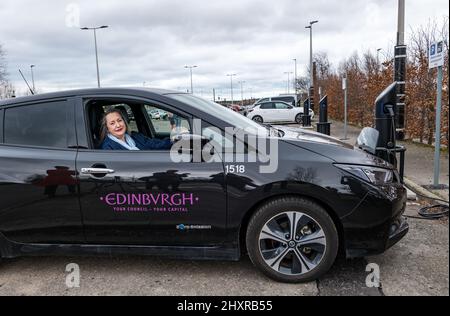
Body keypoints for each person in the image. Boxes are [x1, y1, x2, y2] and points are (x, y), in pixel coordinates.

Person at [100, 108, 172, 150]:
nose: (118, 125)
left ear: (124, 121)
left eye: (119, 120)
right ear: (107, 128)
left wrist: (174, 140)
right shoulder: (108, 147)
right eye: (112, 123)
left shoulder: (135, 136)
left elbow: (156, 144)